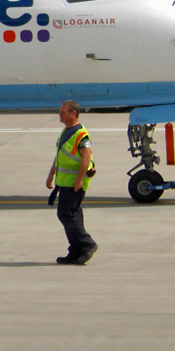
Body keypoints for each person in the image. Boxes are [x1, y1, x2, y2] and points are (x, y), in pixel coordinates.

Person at [45, 100, 97, 265]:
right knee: (73, 215)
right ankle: (75, 252)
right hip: (65, 181)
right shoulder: (66, 131)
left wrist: (79, 179)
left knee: (66, 214)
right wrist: (51, 175)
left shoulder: (81, 134)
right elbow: (60, 156)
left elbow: (86, 156)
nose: (60, 115)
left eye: (63, 112)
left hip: (74, 183)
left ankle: (87, 244)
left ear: (73, 113)